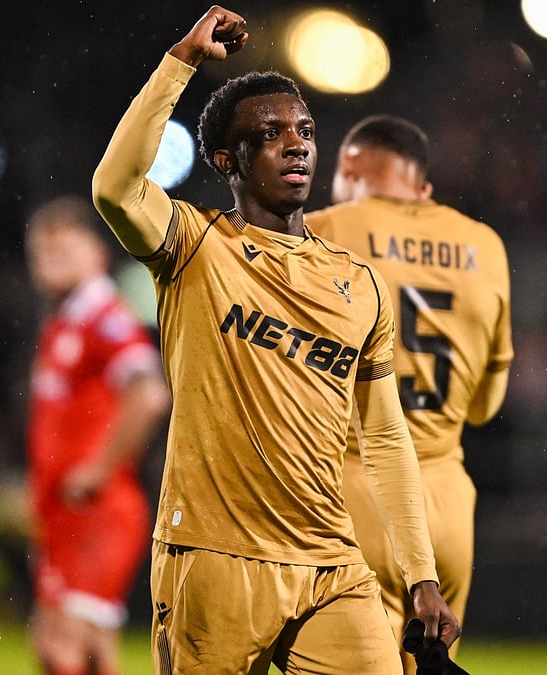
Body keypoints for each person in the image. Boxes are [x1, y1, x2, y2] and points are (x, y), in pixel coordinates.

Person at [91, 6, 460, 674]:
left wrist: (420, 573)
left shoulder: (361, 285)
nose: (297, 144)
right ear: (229, 158)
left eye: (306, 131)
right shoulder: (196, 247)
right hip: (212, 559)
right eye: (271, 134)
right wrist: (182, 61)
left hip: (330, 564)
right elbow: (114, 188)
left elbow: (383, 437)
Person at [306, 115, 512, 671]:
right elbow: (486, 404)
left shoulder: (324, 228)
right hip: (446, 497)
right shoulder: (484, 244)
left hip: (351, 487)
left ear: (348, 167)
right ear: (423, 187)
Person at [25, 195, 171, 675]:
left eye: (62, 251)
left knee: (65, 645)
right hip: (67, 509)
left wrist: (99, 468)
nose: (48, 262)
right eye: (41, 253)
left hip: (95, 509)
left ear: (97, 254)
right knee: (78, 648)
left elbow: (149, 394)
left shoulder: (103, 315)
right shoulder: (65, 322)